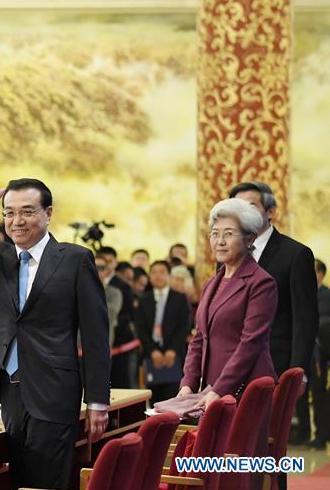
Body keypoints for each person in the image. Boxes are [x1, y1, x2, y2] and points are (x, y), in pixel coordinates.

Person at [0, 166, 110, 489]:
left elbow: (95, 336)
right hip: (8, 391)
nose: (16, 221)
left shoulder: (75, 259)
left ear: (48, 213)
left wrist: (97, 401)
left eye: (26, 212)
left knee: (47, 482)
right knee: (18, 479)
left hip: (55, 391)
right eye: (9, 213)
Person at [179, 198, 277, 488]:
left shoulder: (262, 283)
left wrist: (218, 389)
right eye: (214, 233)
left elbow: (250, 343)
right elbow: (199, 338)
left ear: (250, 239)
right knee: (212, 470)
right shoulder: (212, 282)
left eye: (228, 233)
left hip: (244, 389)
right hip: (210, 391)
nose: (219, 241)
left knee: (237, 471)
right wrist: (188, 383)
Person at [230, 181, 318, 446]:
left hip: (275, 367)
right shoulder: (230, 254)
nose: (243, 213)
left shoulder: (296, 254)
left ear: (270, 211)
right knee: (235, 449)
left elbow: (305, 319)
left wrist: (298, 372)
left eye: (251, 206)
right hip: (232, 369)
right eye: (237, 207)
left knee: (268, 449)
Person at [135, 260, 190, 402]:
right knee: (154, 400)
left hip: (175, 355)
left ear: (168, 276)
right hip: (150, 355)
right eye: (154, 272)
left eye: (162, 272)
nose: (157, 276)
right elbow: (140, 329)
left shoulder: (180, 298)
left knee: (172, 398)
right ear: (149, 276)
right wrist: (153, 351)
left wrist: (172, 350)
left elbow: (184, 326)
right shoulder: (143, 299)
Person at [97, 246, 137, 389]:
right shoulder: (80, 284)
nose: (99, 270)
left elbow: (117, 313)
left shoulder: (120, 287)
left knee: (120, 384)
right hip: (83, 347)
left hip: (118, 341)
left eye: (103, 266)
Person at [311, 259, 330, 449]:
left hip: (320, 353)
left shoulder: (326, 295)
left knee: (319, 394)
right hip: (305, 352)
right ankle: (302, 433)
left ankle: (321, 434)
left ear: (320, 274)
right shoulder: (304, 292)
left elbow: (322, 320)